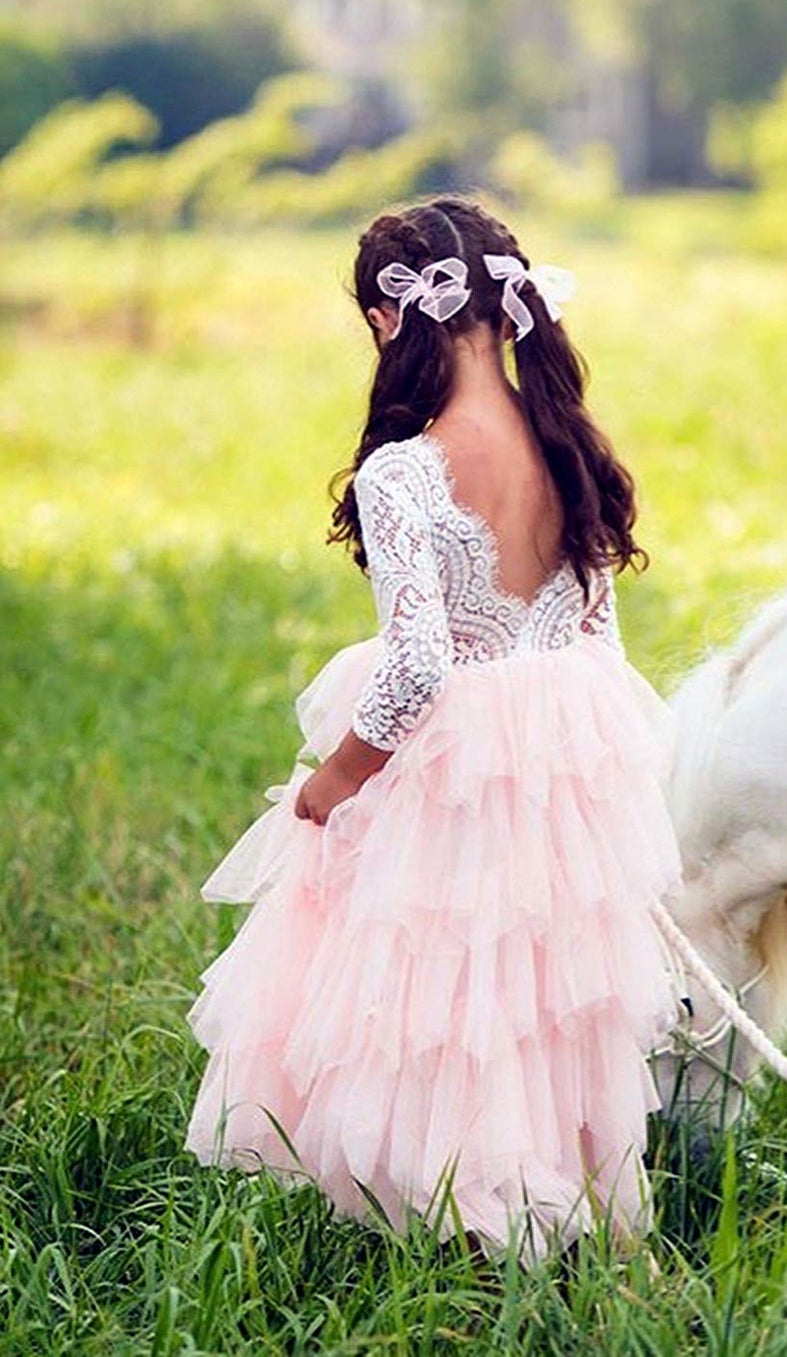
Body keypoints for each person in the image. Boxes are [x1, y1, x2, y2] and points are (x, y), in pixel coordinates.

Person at [185, 195, 685, 1267]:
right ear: (510, 310)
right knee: (542, 982)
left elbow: (416, 665)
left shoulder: (403, 470)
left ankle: (464, 1213)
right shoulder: (567, 445)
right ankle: (558, 1201)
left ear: (384, 321)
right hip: (558, 745)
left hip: (450, 759)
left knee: (443, 986)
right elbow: (600, 635)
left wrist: (335, 778)